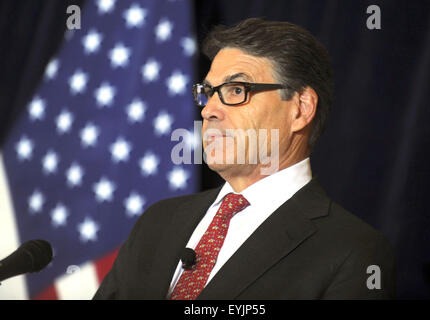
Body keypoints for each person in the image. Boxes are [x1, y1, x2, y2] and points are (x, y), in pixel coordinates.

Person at [93, 18, 396, 300]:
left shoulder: (354, 251)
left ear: (300, 109)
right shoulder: (158, 220)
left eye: (236, 90)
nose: (209, 110)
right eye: (208, 93)